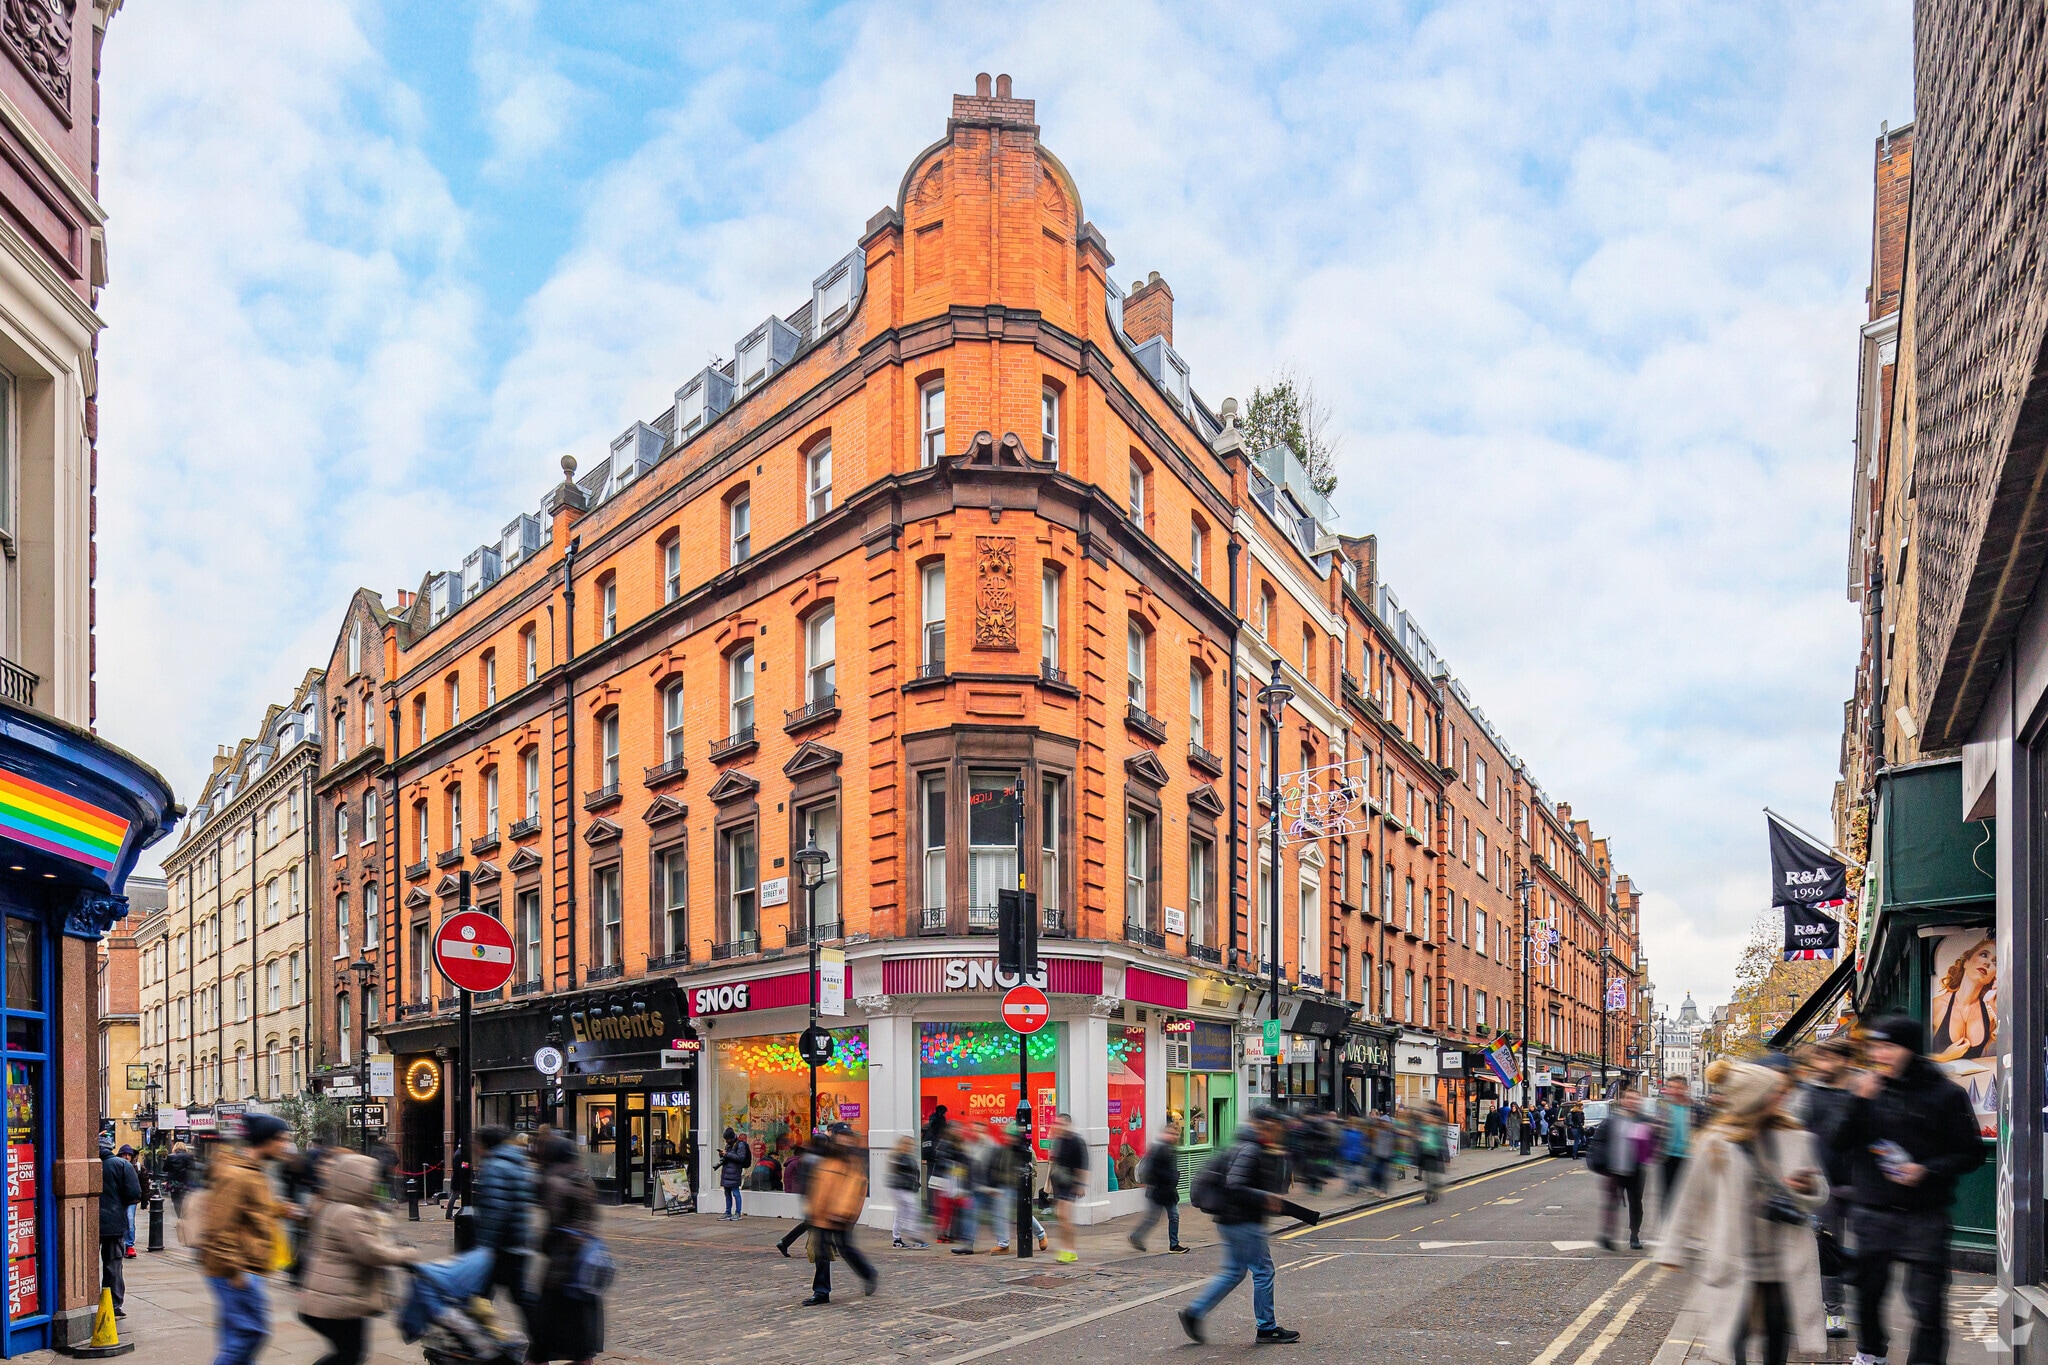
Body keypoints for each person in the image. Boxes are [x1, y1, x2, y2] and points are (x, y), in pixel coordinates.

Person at [1829, 1014, 1985, 1365]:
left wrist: (1926, 1170)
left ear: (1910, 1050)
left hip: (1925, 1216)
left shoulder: (1946, 1094)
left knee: (1928, 1306)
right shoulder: (1866, 1089)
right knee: (1867, 1295)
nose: (1880, 1055)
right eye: (1875, 1047)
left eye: (1889, 1047)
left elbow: (1971, 1152)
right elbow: (1838, 1141)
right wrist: (1858, 1101)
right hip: (1872, 1212)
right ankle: (1871, 1352)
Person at [1654, 1058, 1829, 1365]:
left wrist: (1807, 1187)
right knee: (1737, 1330)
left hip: (1783, 1253)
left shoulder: (1794, 1135)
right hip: (1735, 1253)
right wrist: (1673, 1248)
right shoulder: (1716, 1143)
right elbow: (1689, 1198)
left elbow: (1820, 1191)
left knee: (1778, 1328)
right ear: (1753, 1096)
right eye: (1773, 1092)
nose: (1781, 1097)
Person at [1178, 1106, 1300, 1345]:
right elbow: (1235, 1185)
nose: (1280, 1130)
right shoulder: (1251, 1148)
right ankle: (1267, 1328)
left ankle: (1194, 1312)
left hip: (1232, 1220)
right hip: (1244, 1221)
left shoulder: (1250, 1145)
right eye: (1277, 1125)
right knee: (1263, 1270)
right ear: (1266, 1124)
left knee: (1234, 1272)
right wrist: (1265, 1197)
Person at [296, 1150, 423, 1365]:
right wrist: (407, 1254)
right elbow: (371, 1253)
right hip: (336, 1301)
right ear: (356, 1180)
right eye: (370, 1177)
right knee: (349, 1354)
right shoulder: (348, 1213)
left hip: (335, 1298)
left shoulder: (336, 1206)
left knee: (351, 1353)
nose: (374, 1181)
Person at [198, 1113, 291, 1365]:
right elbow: (219, 1226)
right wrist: (235, 1271)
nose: (285, 1145)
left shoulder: (252, 1171)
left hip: (245, 1268)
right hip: (238, 1270)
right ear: (265, 1140)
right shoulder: (237, 1175)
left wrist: (281, 1210)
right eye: (281, 1139)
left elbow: (248, 1211)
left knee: (239, 1338)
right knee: (248, 1336)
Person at [1794, 1037, 1858, 1340]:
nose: (1821, 1064)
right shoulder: (1808, 1094)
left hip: (1861, 1185)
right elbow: (1793, 1133)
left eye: (1828, 1058)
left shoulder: (1861, 1092)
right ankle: (1835, 1312)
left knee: (1870, 1252)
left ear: (1845, 1060)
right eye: (1820, 1058)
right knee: (1827, 1251)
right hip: (1822, 1187)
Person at [528, 1134, 603, 1365]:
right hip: (585, 1266)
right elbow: (592, 1217)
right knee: (581, 1344)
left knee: (541, 1340)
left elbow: (555, 1224)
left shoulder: (553, 1182)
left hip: (561, 1270)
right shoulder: (584, 1180)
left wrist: (542, 1243)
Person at [801, 1124, 877, 1305]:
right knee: (821, 1253)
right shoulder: (829, 1154)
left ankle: (868, 1273)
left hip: (840, 1215)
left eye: (846, 1135)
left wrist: (843, 1211)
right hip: (822, 1212)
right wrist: (813, 1207)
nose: (843, 1139)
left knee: (846, 1250)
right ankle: (821, 1292)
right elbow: (819, 1181)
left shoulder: (853, 1159)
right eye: (840, 1135)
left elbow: (854, 1187)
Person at [469, 1126, 534, 1313]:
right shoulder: (518, 1162)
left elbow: (495, 1210)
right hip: (517, 1241)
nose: (475, 1148)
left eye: (477, 1143)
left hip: (502, 1247)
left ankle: (474, 1335)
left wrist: (486, 1247)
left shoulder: (494, 1166)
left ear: (485, 1144)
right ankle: (543, 1337)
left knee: (480, 1293)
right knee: (519, 1296)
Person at [1588, 1092, 1652, 1251]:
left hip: (1635, 1170)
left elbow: (1650, 1146)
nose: (1632, 1102)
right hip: (1614, 1169)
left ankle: (1634, 1236)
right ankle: (1608, 1235)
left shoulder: (1643, 1121)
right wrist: (1601, 1161)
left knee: (1636, 1204)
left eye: (1636, 1099)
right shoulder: (1611, 1120)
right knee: (1610, 1203)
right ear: (1623, 1101)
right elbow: (1598, 1141)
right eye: (1629, 1099)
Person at [98, 1136, 141, 1317]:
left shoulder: (86, 1163)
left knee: (84, 1265)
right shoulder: (122, 1165)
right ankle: (113, 1304)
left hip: (85, 1222)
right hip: (113, 1222)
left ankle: (86, 1303)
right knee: (113, 1265)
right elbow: (133, 1194)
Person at [1129, 1120, 1186, 1253]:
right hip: (1159, 1191)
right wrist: (1170, 1178)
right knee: (1155, 1218)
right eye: (1172, 1133)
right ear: (1165, 1133)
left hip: (1167, 1191)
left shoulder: (1170, 1149)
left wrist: (1173, 1178)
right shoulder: (1159, 1148)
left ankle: (1174, 1244)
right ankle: (1137, 1236)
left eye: (1177, 1134)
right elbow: (1153, 1170)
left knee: (1172, 1216)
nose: (1174, 1136)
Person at [1048, 1113, 1089, 1264]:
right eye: (1056, 1123)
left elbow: (1083, 1165)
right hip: (1059, 1182)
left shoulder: (1077, 1141)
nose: (1057, 1126)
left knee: (1065, 1216)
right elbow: (1056, 1162)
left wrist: (1080, 1185)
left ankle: (1069, 1249)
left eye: (1061, 1124)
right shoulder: (1058, 1141)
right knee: (1061, 1217)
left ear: (1068, 1124)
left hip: (1071, 1183)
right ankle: (1067, 1248)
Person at [1657, 1076, 1694, 1214]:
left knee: (1688, 1197)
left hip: (1689, 1158)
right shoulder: (1664, 1109)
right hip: (1668, 1157)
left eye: (1678, 1087)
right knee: (1668, 1197)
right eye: (1671, 1087)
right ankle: (1667, 1229)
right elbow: (1656, 1131)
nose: (1675, 1091)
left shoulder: (1695, 1108)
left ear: (1686, 1088)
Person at [887, 1135, 929, 1248]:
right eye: (909, 1144)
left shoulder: (907, 1157)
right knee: (912, 1211)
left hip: (905, 1188)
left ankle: (897, 1239)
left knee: (901, 1213)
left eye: (912, 1145)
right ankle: (914, 1236)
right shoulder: (898, 1157)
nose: (912, 1147)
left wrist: (915, 1182)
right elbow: (902, 1172)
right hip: (900, 1188)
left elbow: (914, 1172)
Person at [715, 1128, 751, 1220]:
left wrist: (726, 1154)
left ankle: (738, 1212)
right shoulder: (729, 1146)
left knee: (736, 1193)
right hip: (727, 1172)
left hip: (734, 1172)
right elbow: (729, 1157)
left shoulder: (740, 1144)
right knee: (727, 1193)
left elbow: (740, 1158)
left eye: (727, 1139)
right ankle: (728, 1212)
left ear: (731, 1138)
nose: (726, 1141)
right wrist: (722, 1154)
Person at [166, 1140, 199, 1217]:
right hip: (185, 1182)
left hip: (173, 1183)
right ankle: (184, 1217)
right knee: (185, 1200)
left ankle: (179, 1217)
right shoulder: (189, 1156)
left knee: (175, 1201)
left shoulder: (170, 1156)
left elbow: (165, 1168)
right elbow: (193, 1168)